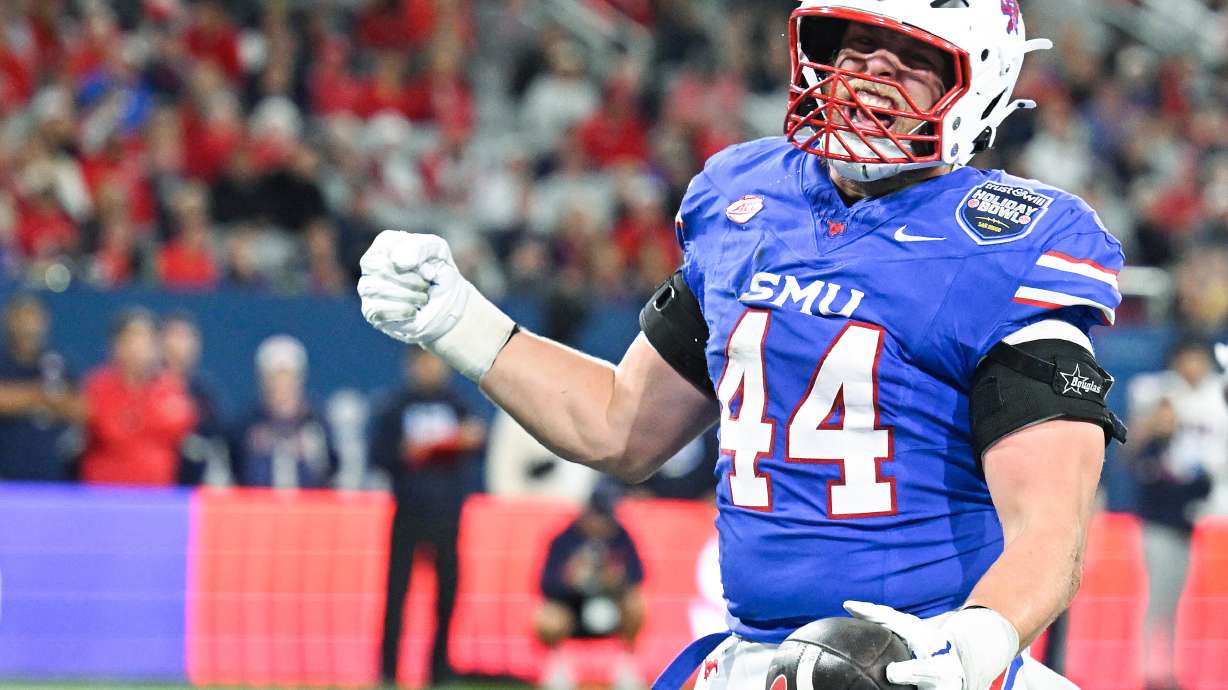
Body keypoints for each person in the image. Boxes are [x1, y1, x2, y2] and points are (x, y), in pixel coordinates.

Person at [357, 2, 1127, 690]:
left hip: (927, 660)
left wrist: (972, 643)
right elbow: (618, 425)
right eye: (855, 49)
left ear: (979, 89)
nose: (868, 77)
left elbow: (1051, 527)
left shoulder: (1008, 241)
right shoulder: (748, 202)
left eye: (910, 62)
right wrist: (458, 319)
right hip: (752, 660)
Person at [369, 348, 484, 687]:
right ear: (412, 366)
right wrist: (405, 453)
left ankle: (439, 669)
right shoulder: (395, 406)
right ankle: (389, 670)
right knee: (396, 593)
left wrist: (466, 440)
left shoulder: (457, 404)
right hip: (408, 511)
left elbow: (479, 442)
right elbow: (379, 455)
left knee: (447, 594)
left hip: (447, 513)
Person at [1126, 339, 1224, 690]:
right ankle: (1151, 671)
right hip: (1160, 526)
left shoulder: (1188, 429)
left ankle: (1165, 670)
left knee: (1175, 602)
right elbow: (1150, 475)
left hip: (1184, 525)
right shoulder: (1153, 442)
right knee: (1159, 601)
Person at [535, 486, 646, 690]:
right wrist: (570, 579)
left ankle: (626, 666)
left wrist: (616, 579)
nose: (602, 522)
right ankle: (558, 668)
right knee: (547, 617)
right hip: (573, 608)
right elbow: (545, 585)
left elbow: (638, 576)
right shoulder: (564, 539)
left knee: (637, 604)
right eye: (598, 515)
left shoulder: (621, 536)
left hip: (611, 605)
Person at [81, 308, 197, 485]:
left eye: (149, 339)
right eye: (134, 338)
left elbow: (180, 424)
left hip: (154, 499)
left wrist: (131, 421)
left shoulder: (171, 389)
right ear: (117, 345)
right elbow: (107, 429)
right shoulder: (97, 387)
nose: (141, 346)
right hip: (103, 496)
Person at [230, 335, 336, 489]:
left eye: (288, 376)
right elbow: (235, 467)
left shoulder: (316, 422)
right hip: (257, 507)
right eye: (275, 377)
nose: (282, 384)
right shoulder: (247, 423)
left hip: (309, 507)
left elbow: (331, 469)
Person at [0, 294, 85, 480]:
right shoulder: (4, 361)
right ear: (10, 318)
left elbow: (79, 409)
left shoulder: (56, 362)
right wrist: (42, 396)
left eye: (34, 316)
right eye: (23, 315)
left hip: (49, 473)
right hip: (6, 473)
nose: (29, 324)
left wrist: (24, 400)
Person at [159, 312, 228, 485]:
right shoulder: (147, 390)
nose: (180, 346)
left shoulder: (205, 395)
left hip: (193, 489)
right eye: (175, 336)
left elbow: (216, 441)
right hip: (152, 489)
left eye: (187, 338)